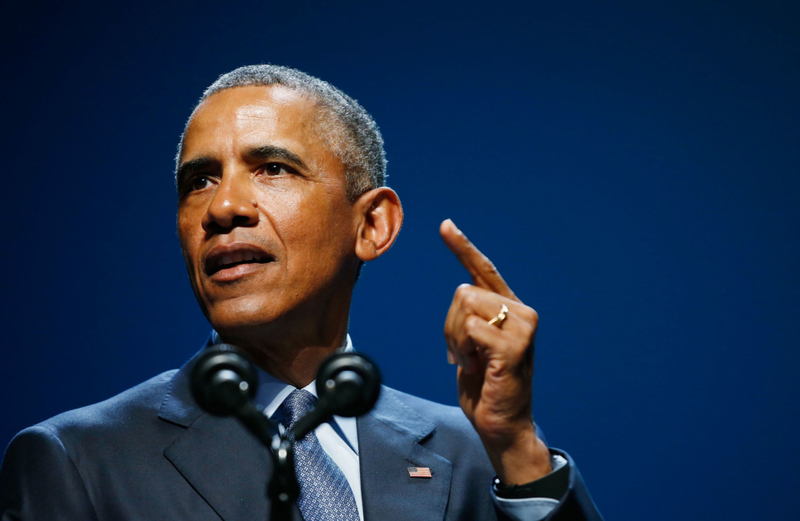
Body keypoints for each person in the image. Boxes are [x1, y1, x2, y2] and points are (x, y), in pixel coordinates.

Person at [0, 65, 602, 520]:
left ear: (372, 226)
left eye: (273, 168)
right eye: (198, 180)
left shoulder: (474, 454)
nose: (224, 207)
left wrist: (517, 446)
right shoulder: (76, 462)